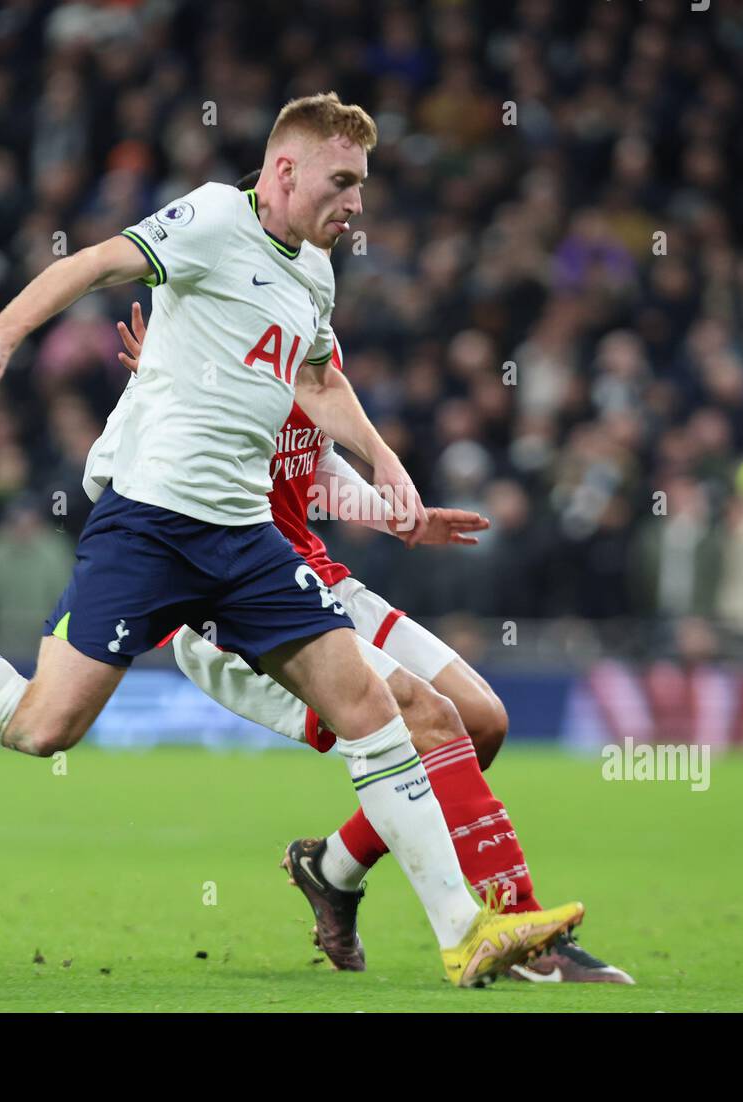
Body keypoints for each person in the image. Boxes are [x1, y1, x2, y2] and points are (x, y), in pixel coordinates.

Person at [0, 92, 581, 987]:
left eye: (363, 186)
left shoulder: (314, 274)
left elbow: (316, 377)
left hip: (246, 539)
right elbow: (102, 261)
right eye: (342, 182)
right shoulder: (216, 218)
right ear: (284, 171)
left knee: (382, 712)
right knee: (41, 728)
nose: (356, 204)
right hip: (147, 529)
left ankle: (463, 932)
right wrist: (2, 332)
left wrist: (383, 459)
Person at [113, 295, 632, 984]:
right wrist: (163, 389)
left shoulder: (309, 339)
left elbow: (311, 470)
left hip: (312, 574)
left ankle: (331, 867)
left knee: (480, 722)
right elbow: (139, 479)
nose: (342, 217)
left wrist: (398, 518)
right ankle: (522, 929)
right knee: (428, 718)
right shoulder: (193, 353)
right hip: (236, 605)